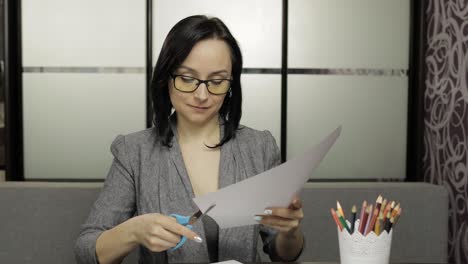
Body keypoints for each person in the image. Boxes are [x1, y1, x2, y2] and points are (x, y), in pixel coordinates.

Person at [75, 15, 304, 264]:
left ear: (230, 84)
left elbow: (284, 254)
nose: (202, 95)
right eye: (187, 79)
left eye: (217, 82)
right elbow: (86, 251)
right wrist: (133, 231)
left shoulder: (259, 148)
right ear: (166, 78)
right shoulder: (134, 152)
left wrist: (289, 231)